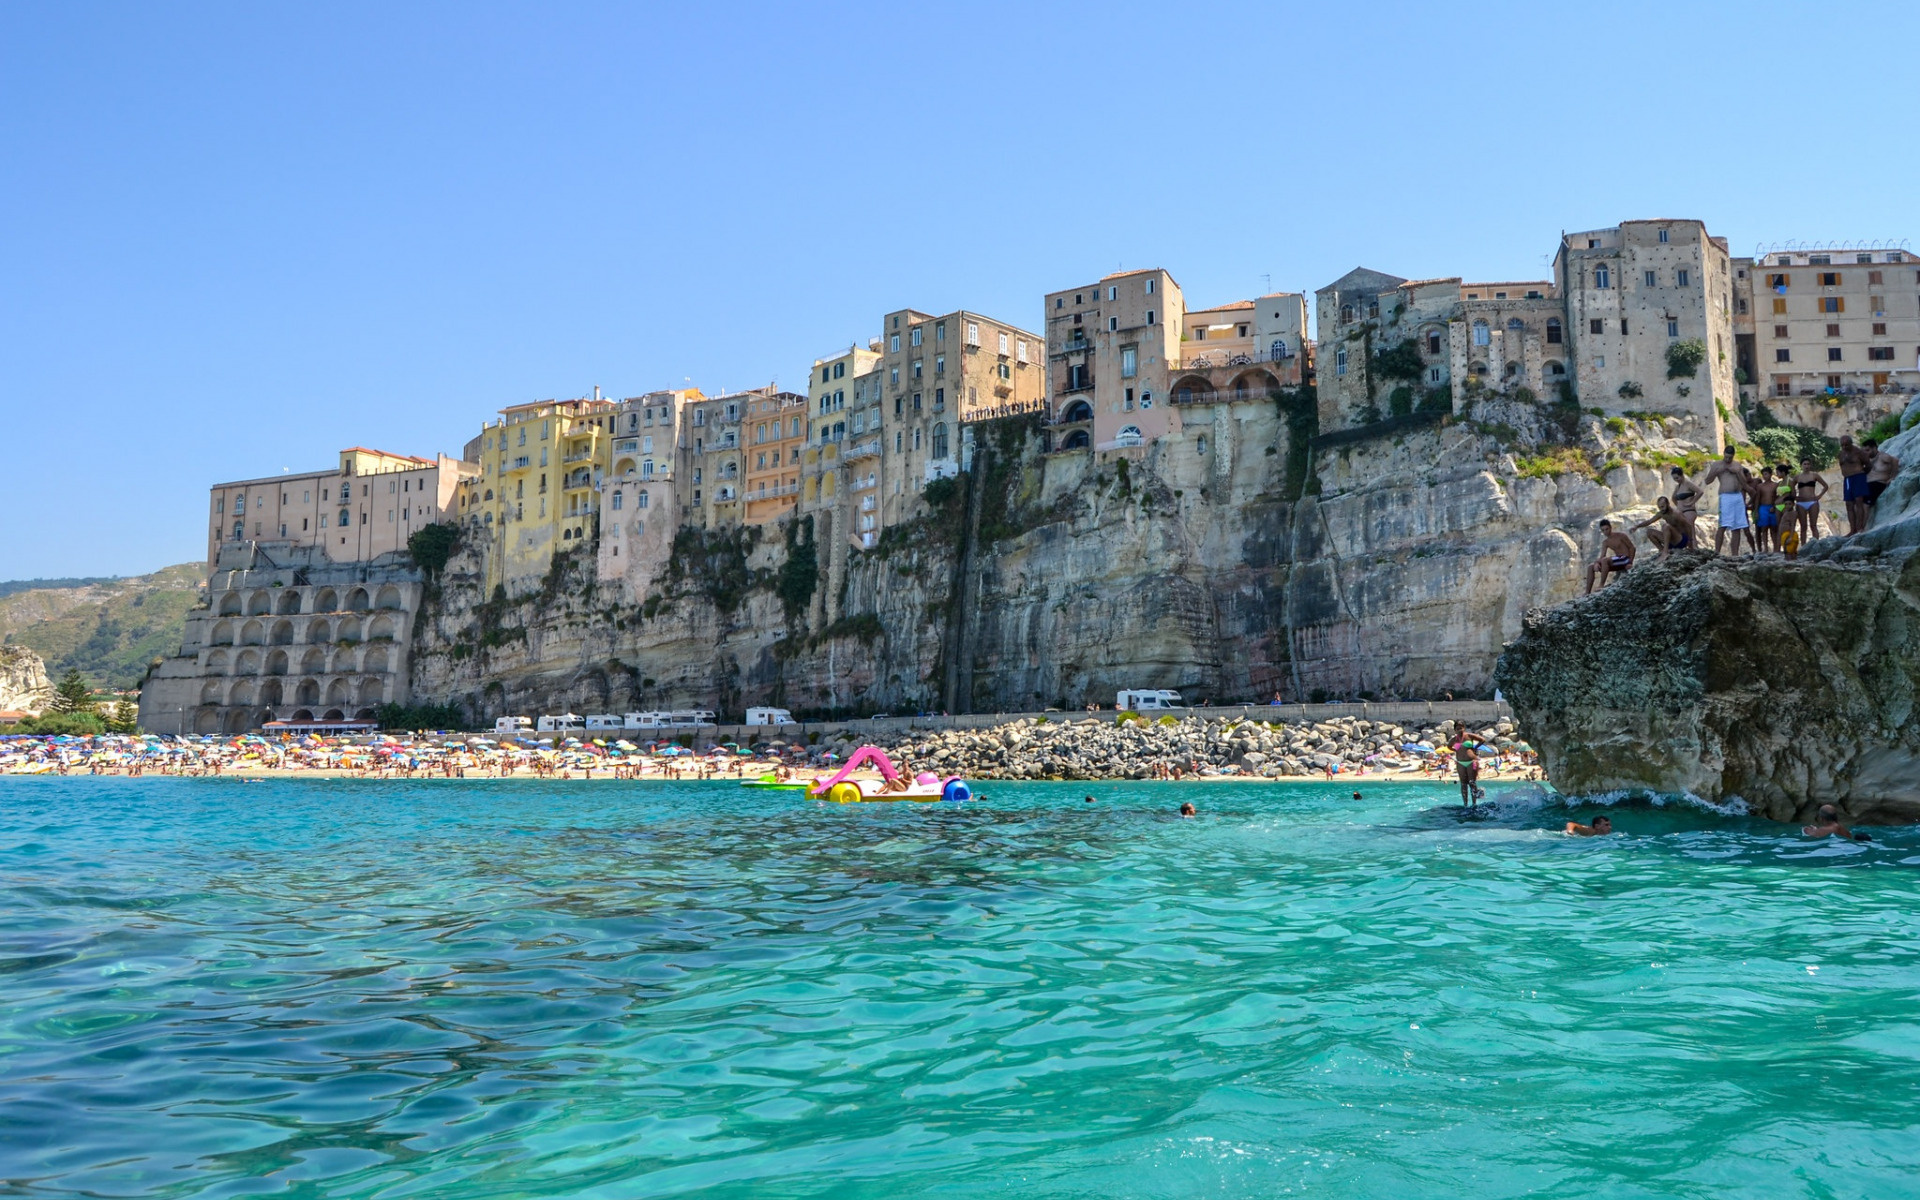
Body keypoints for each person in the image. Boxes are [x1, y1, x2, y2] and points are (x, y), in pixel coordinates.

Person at [1702, 444, 1752, 556]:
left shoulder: (1737, 465)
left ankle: (1735, 554)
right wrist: (1718, 471)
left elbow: (1744, 482)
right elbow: (1708, 481)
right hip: (1726, 497)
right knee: (1723, 525)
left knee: (1737, 527)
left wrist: (1737, 472)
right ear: (1723, 454)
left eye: (1730, 457)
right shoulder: (1717, 465)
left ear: (1733, 456)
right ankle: (1717, 552)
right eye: (1726, 457)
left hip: (1737, 496)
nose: (1728, 459)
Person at [1584, 519, 1637, 593]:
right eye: (1603, 530)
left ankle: (1601, 585)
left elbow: (1632, 548)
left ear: (1610, 527)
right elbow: (1602, 556)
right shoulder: (1606, 542)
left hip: (1625, 559)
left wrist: (1630, 562)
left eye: (1607, 529)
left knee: (1605, 560)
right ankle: (1587, 592)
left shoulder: (1621, 536)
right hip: (1618, 562)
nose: (1605, 532)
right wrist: (1596, 563)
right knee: (1591, 567)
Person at [1838, 435, 1871, 535]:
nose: (1844, 447)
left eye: (1846, 445)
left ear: (1851, 443)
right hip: (1847, 479)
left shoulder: (1858, 452)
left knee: (1858, 501)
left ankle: (1859, 527)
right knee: (1849, 504)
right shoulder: (1840, 454)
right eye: (1842, 445)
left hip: (1858, 476)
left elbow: (1868, 464)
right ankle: (1852, 529)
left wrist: (1862, 473)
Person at [1791, 457, 1829, 542]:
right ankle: (1804, 546)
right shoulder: (1797, 477)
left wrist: (1819, 496)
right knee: (1803, 526)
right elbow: (1791, 487)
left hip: (1812, 502)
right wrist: (1794, 497)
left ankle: (1816, 545)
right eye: (1804, 464)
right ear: (1801, 465)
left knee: (1813, 525)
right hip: (1801, 503)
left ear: (1810, 465)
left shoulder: (1814, 475)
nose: (1806, 466)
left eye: (1808, 464)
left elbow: (1825, 486)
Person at [1864, 438, 1902, 517]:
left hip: (1878, 484)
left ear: (1874, 448)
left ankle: (1861, 528)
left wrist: (1893, 477)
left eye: (1868, 450)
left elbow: (1895, 461)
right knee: (1855, 502)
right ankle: (1857, 527)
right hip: (1868, 484)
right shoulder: (1868, 460)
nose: (1866, 453)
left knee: (1865, 505)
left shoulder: (1883, 456)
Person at [1750, 465, 1783, 553]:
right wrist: (1756, 511)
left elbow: (1777, 497)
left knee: (1773, 528)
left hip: (1772, 507)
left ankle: (1776, 548)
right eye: (1763, 475)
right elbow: (1757, 499)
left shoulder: (1776, 485)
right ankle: (1765, 548)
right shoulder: (1760, 486)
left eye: (1766, 474)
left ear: (1771, 474)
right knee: (1764, 529)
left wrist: (1774, 506)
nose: (1765, 476)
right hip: (1763, 508)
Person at [1450, 726, 1481, 807]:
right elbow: (1449, 746)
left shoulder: (1469, 736)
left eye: (1461, 728)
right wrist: (1456, 750)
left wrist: (1475, 747)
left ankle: (1474, 803)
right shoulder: (1454, 739)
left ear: (1464, 728)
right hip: (1460, 762)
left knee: (1472, 782)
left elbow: (1482, 740)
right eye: (1457, 728)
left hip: (1471, 761)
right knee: (1463, 784)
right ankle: (1465, 804)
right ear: (1455, 730)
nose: (1460, 730)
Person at [1802, 804, 1870, 841]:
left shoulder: (1825, 829)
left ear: (1822, 818)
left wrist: (1811, 831)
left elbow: (1808, 834)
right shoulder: (1842, 828)